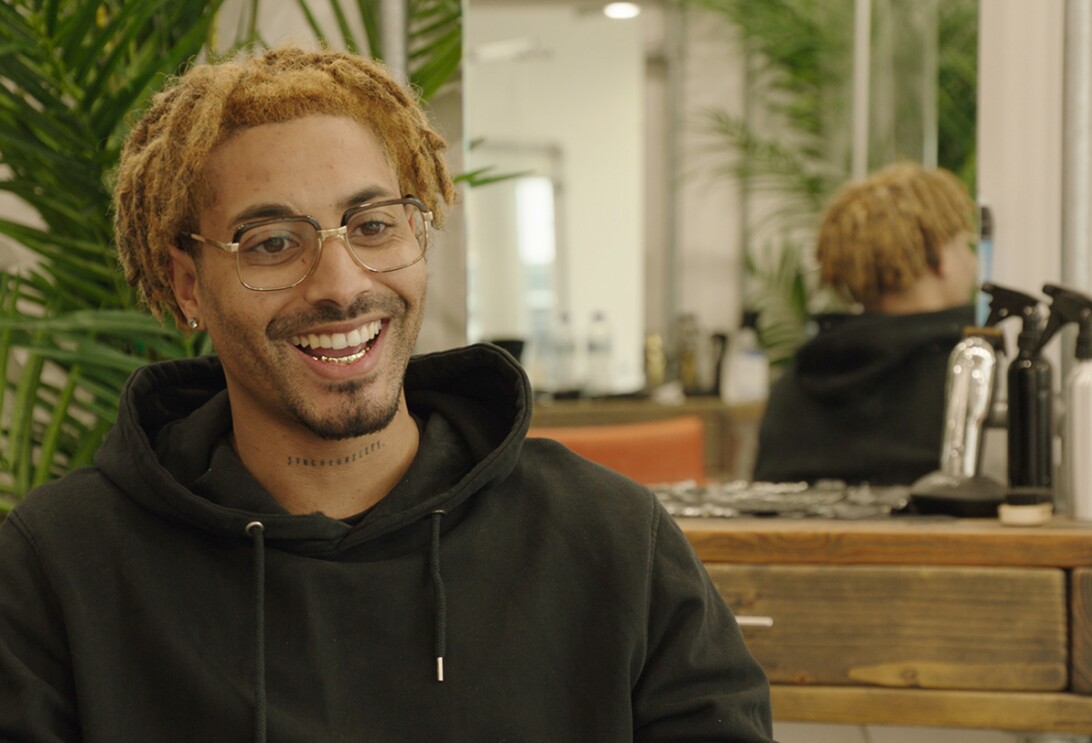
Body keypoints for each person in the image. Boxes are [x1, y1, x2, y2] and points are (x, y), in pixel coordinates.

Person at [0, 47, 774, 741]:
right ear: (186, 284)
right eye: (272, 243)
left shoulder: (607, 539)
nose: (341, 286)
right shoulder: (60, 567)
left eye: (372, 225)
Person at [754, 162, 979, 486]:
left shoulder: (800, 381)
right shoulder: (970, 372)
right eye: (964, 245)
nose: (972, 262)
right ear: (941, 257)